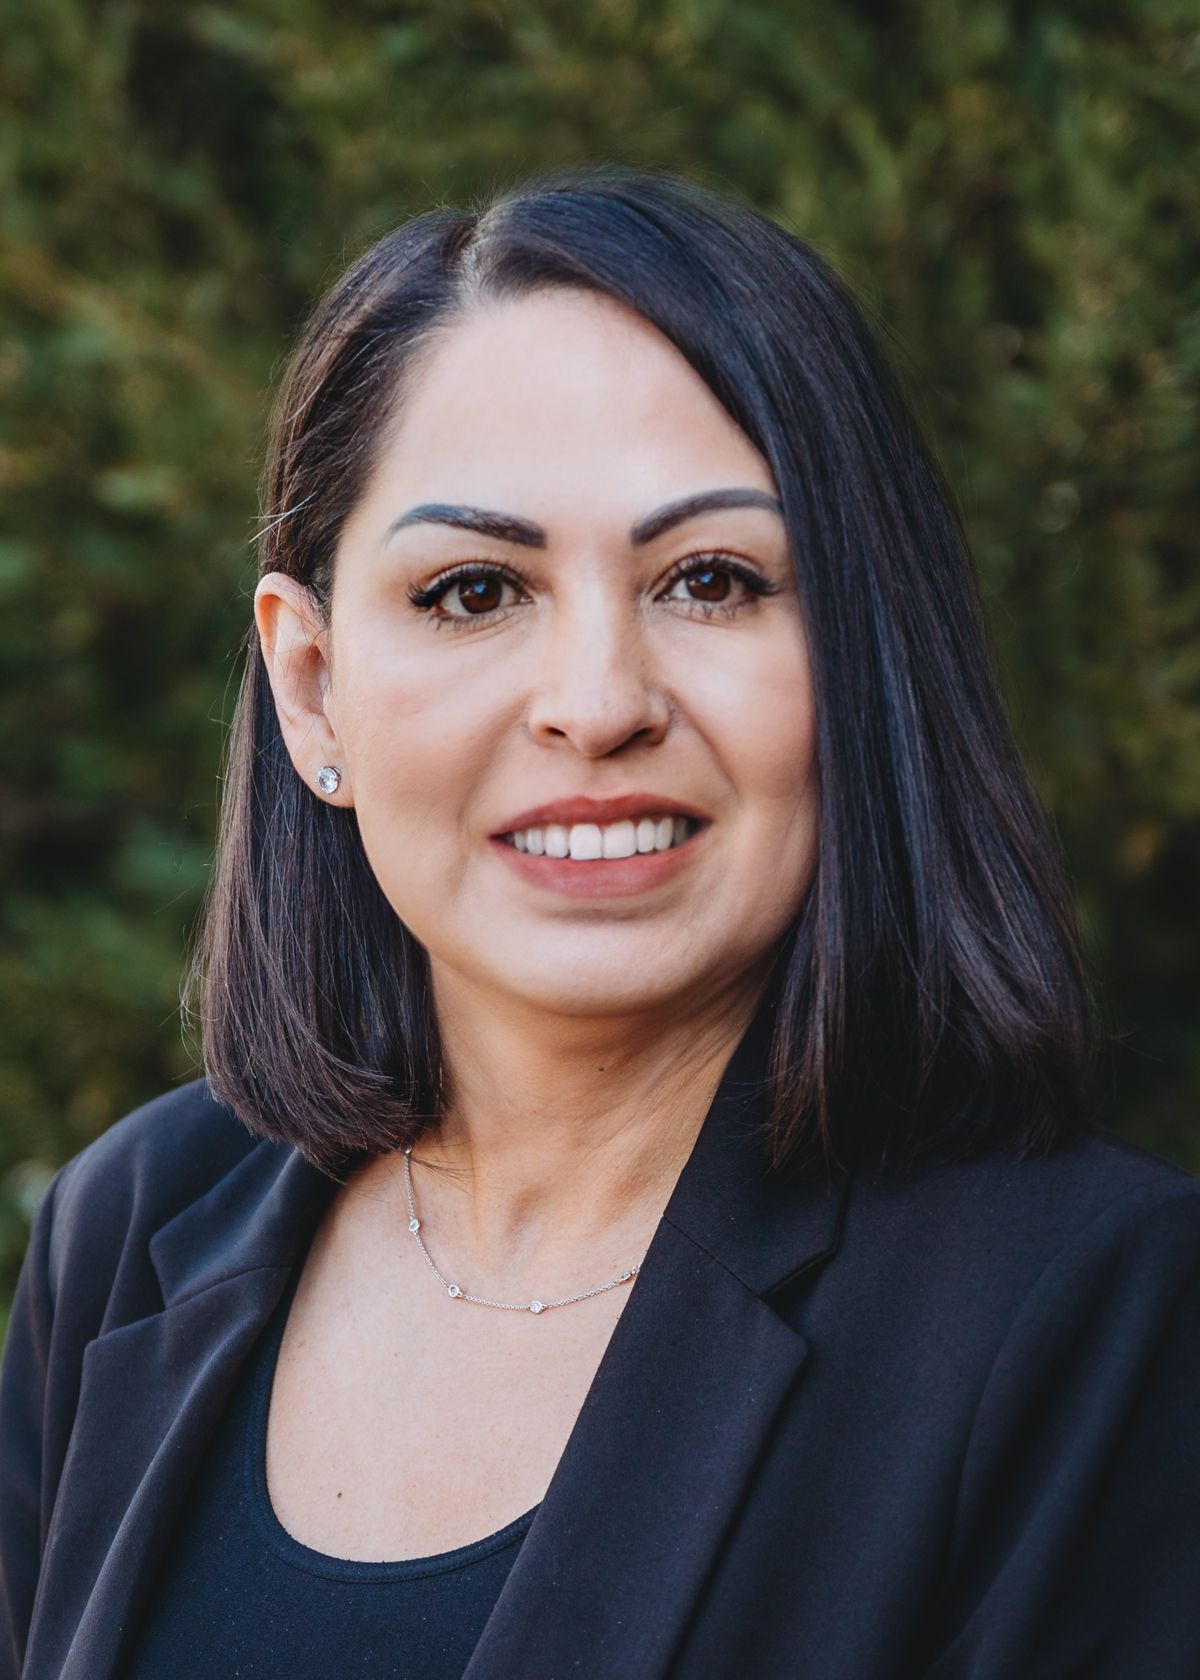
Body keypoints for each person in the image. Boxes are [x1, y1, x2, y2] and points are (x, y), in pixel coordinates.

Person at [2, 164, 1198, 1680]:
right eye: (472, 590)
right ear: (311, 687)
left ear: (860, 655)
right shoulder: (134, 1230)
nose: (595, 705)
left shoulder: (1090, 1314)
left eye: (711, 579)